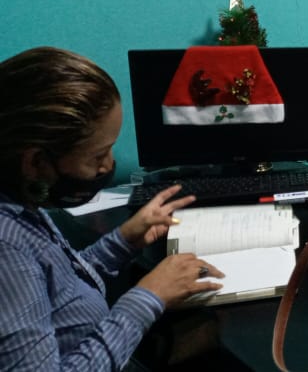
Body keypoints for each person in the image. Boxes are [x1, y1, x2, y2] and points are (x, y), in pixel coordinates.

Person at [0, 47, 225, 370]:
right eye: (98, 155)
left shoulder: (20, 204)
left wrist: (123, 241)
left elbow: (61, 290)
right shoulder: (6, 247)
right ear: (35, 162)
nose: (109, 164)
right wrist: (149, 296)